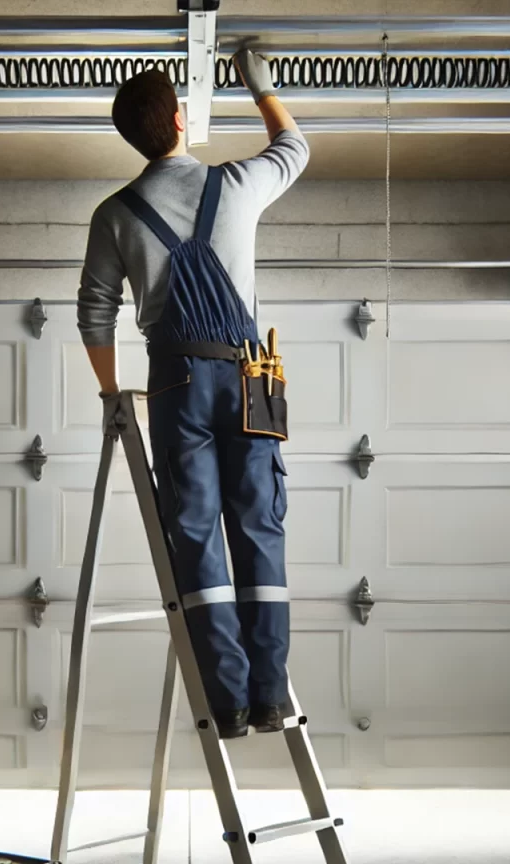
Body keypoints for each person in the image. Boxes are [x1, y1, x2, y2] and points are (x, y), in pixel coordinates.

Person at [77, 49, 309, 740]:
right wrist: (260, 85)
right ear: (180, 120)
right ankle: (270, 696)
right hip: (249, 376)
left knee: (197, 533)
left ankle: (229, 702)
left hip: (175, 381)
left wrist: (113, 395)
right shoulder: (237, 183)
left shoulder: (115, 215)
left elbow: (94, 311)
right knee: (259, 527)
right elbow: (296, 146)